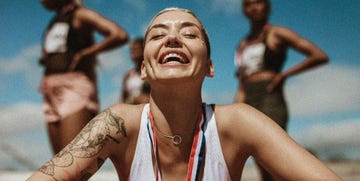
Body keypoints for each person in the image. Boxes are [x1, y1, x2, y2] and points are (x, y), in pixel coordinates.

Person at [28, 7, 341, 181]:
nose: (173, 38)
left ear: (210, 67)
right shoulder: (118, 123)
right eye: (158, 35)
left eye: (189, 33)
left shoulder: (238, 122)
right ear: (144, 70)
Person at [234, 0, 329, 180]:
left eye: (258, 2)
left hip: (270, 96)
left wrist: (284, 75)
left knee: (272, 157)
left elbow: (319, 55)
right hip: (248, 98)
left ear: (267, 7)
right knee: (257, 159)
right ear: (244, 10)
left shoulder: (277, 33)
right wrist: (236, 108)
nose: (253, 7)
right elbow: (242, 81)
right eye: (248, 4)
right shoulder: (243, 44)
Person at [38, 0, 129, 155]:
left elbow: (119, 35)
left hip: (73, 87)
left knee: (72, 161)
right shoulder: (55, 21)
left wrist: (86, 53)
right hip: (50, 88)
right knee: (59, 162)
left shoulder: (80, 14)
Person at [120, 37, 150, 104]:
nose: (133, 53)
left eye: (136, 49)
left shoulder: (151, 71)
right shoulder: (128, 75)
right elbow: (123, 97)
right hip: (131, 110)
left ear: (143, 50)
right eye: (131, 50)